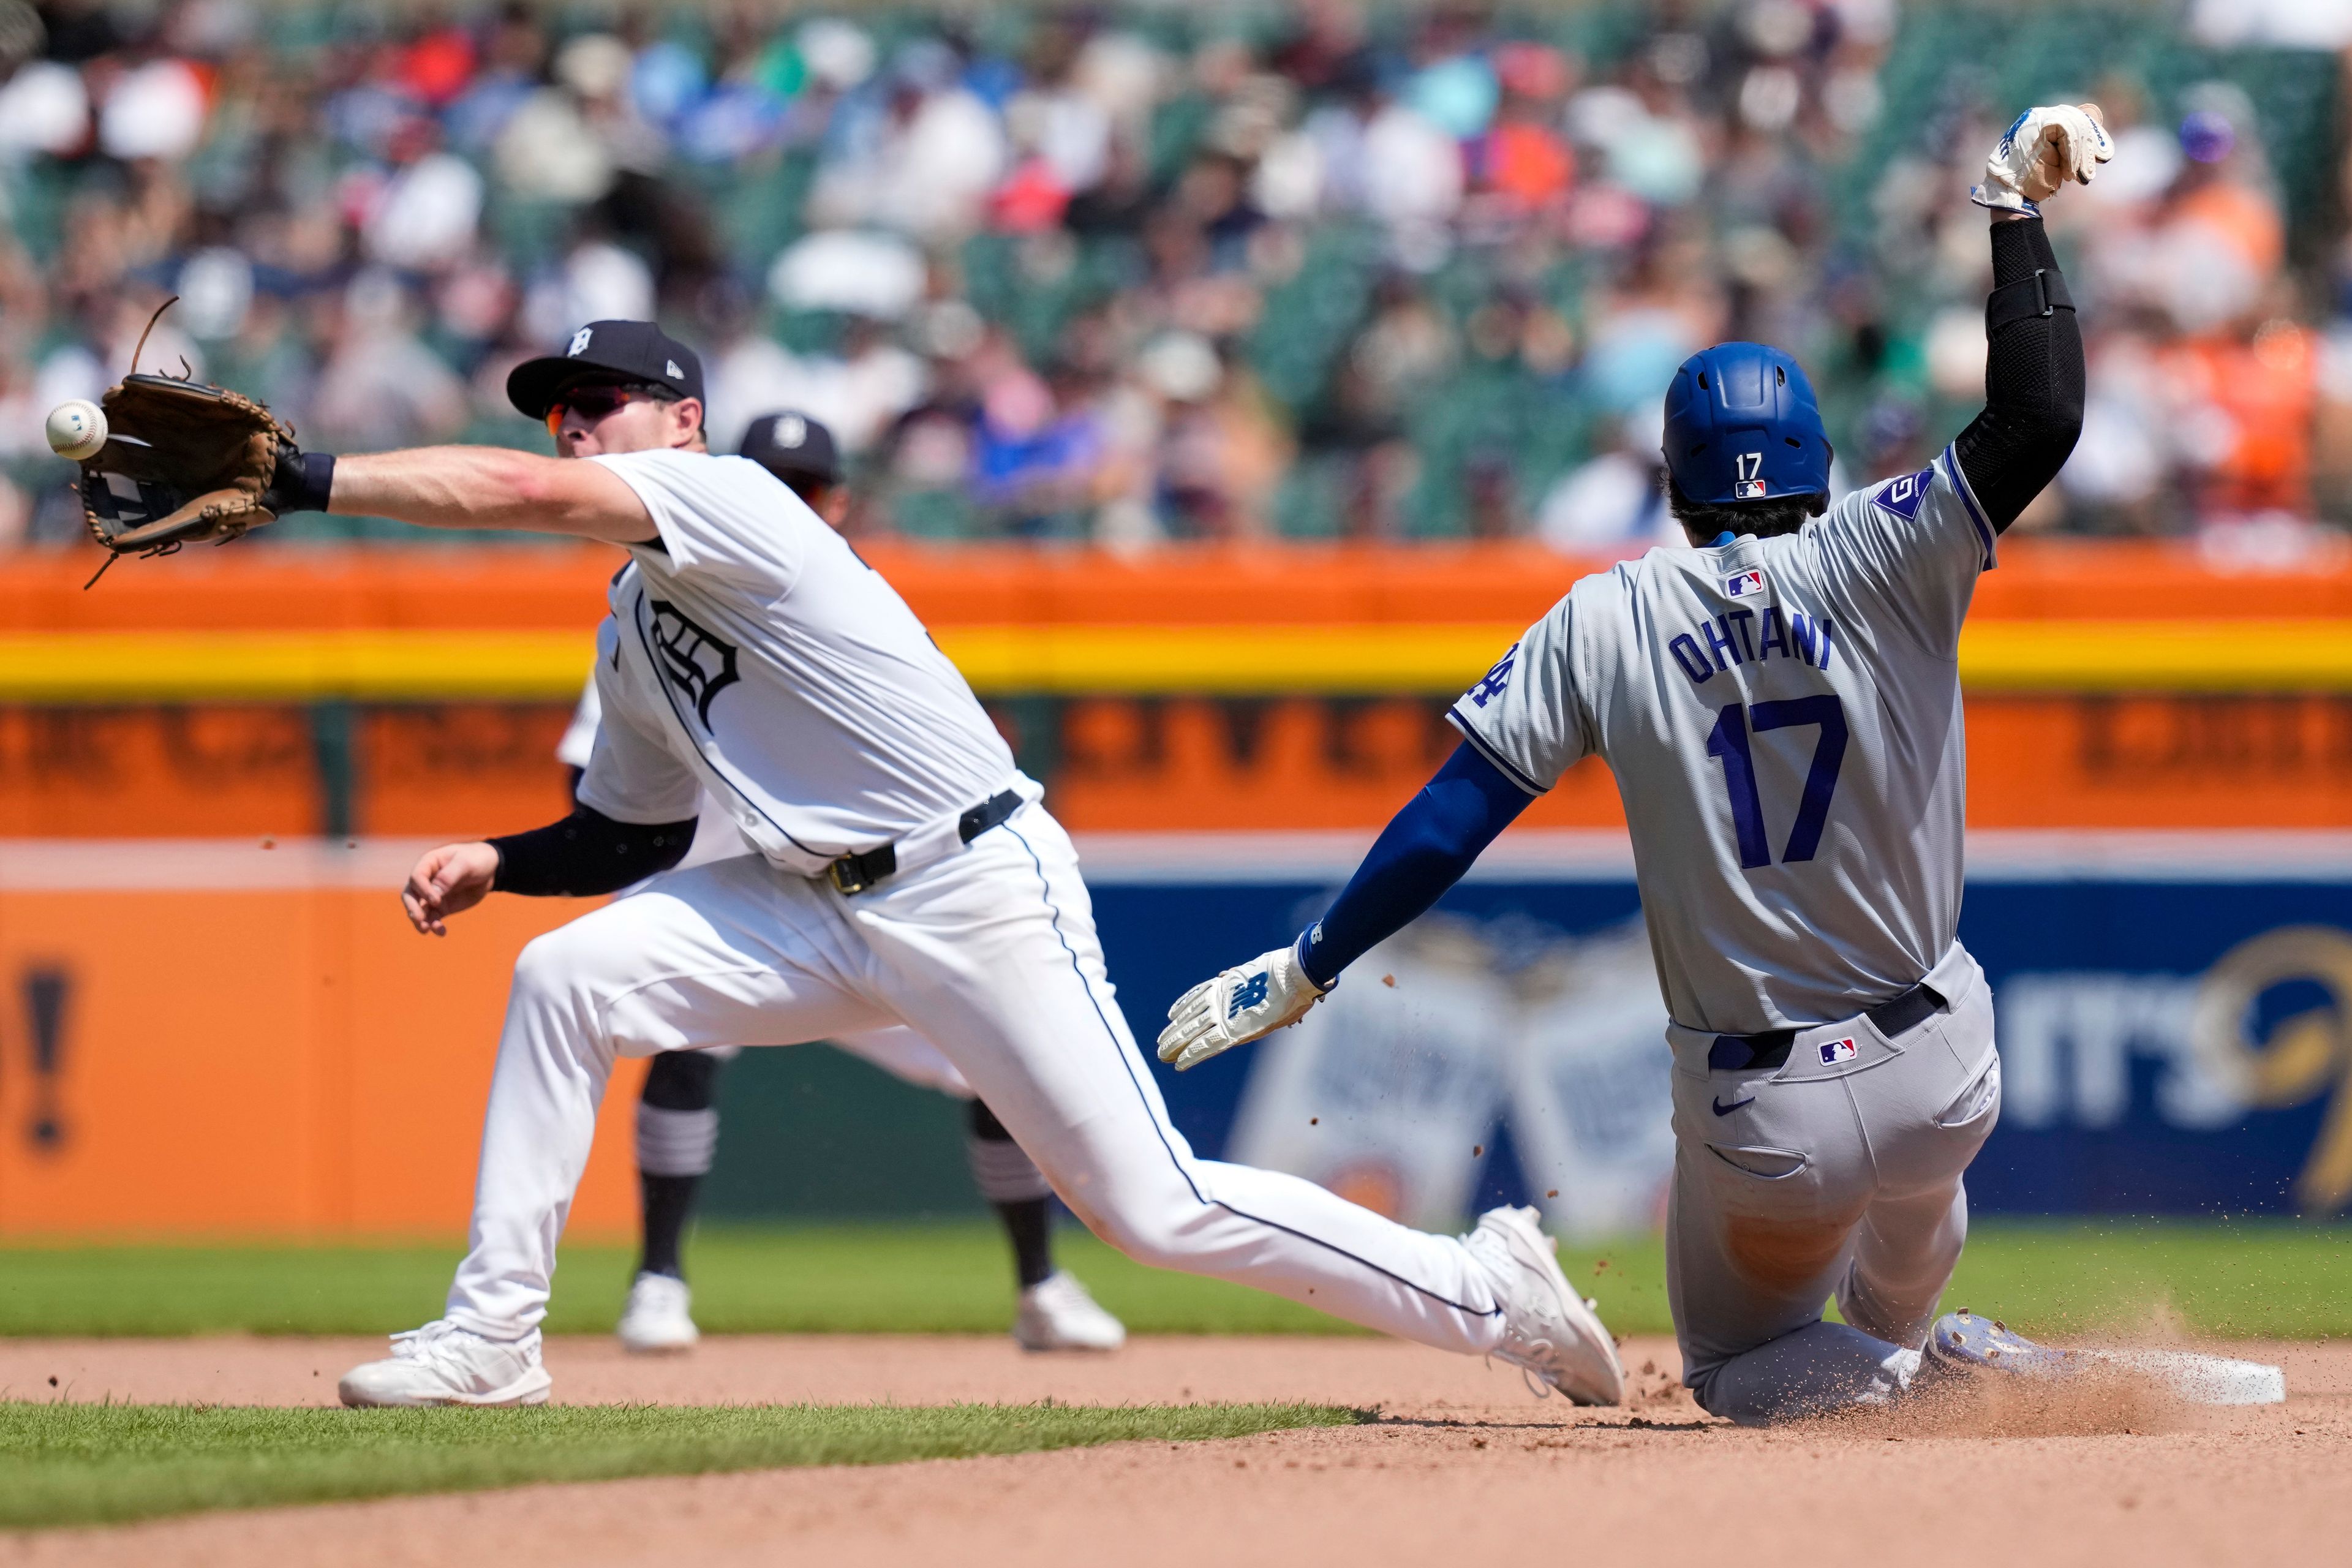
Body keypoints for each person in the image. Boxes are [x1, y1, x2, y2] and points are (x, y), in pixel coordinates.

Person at [304, 317, 1619, 1406]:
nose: (575, 424)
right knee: (566, 975)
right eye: (559, 408)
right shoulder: (635, 629)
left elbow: (522, 495)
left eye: (603, 400)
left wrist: (308, 480)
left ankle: (1489, 1287)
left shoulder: (733, 499)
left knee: (1154, 1209)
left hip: (973, 881)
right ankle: (491, 1339)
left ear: (684, 421)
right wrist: (499, 853)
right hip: (816, 902)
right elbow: (629, 835)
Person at [1156, 104, 2111, 1425]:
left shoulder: (1607, 612)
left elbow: (1450, 820)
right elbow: (2043, 412)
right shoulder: (1890, 549)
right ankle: (1933, 1343)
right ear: (1814, 460)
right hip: (1945, 1060)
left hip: (1766, 1106)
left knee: (1737, 1365)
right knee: (1915, 1178)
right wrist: (2014, 212)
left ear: (1677, 477)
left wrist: (1312, 962)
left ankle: (1909, 1379)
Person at [554, 410, 1125, 1354]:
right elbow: (594, 779)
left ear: (839, 502)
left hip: (881, 896)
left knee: (994, 1064)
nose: (786, 501)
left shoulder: (856, 606)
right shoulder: (654, 604)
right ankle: (657, 1279)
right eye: (768, 482)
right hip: (732, 894)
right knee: (676, 1044)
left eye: (804, 487)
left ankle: (1042, 1285)